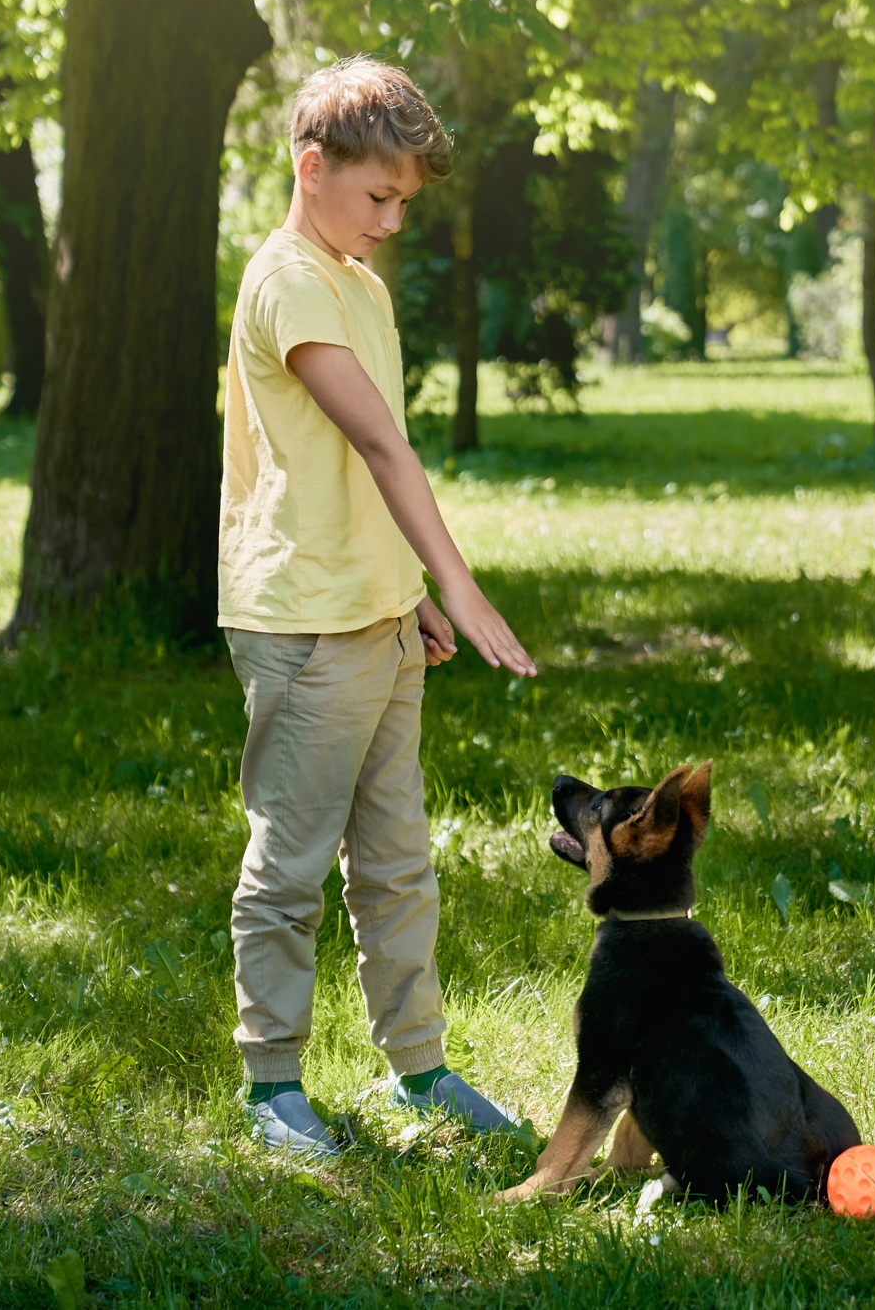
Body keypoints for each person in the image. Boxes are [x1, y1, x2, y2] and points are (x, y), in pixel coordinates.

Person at [217, 56, 537, 1158]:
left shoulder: (356, 276)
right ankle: (271, 1089)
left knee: (397, 859)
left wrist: (410, 592)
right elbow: (376, 440)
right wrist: (459, 578)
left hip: (375, 614)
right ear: (313, 167)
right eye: (380, 196)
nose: (393, 220)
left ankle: (420, 1069)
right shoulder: (292, 280)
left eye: (404, 200)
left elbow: (366, 472)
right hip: (303, 621)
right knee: (291, 864)